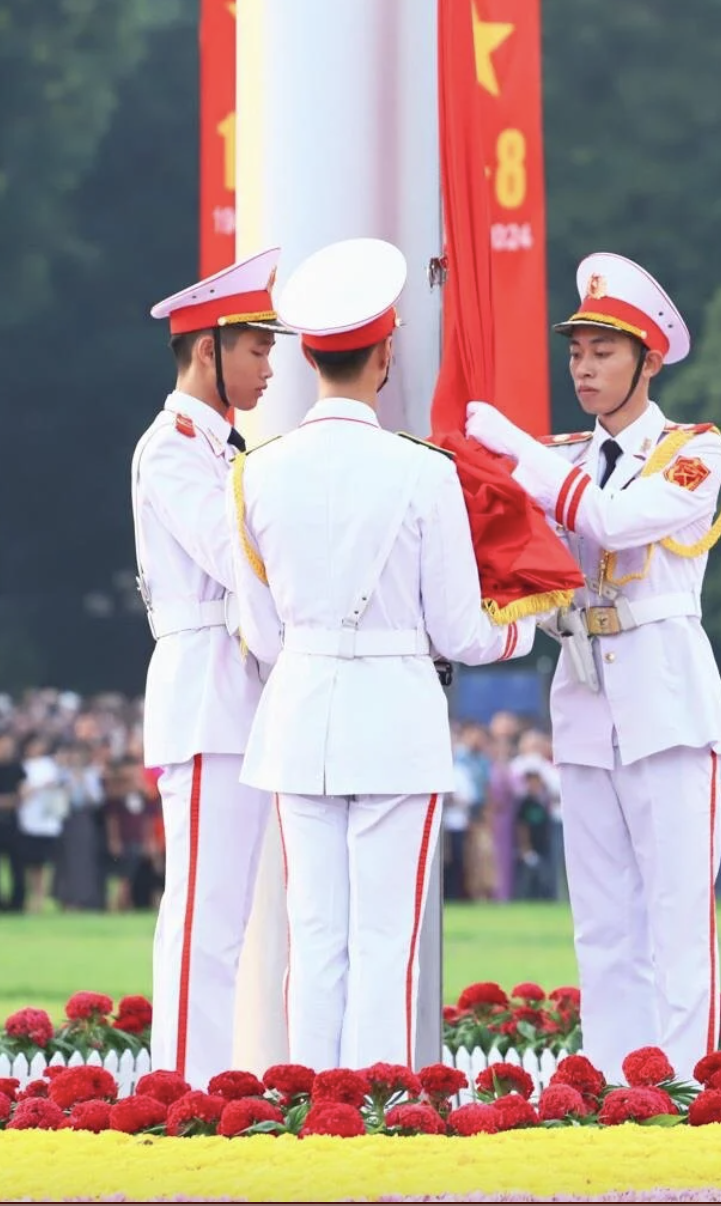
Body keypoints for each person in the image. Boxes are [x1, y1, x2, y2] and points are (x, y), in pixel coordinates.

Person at [229, 236, 536, 1070]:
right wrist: (529, 622)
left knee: (313, 933)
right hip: (395, 715)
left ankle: (311, 1100)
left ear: (312, 360)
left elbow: (257, 629)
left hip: (302, 710)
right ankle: (375, 1106)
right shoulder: (422, 471)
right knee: (384, 939)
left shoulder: (255, 472)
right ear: (386, 353)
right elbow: (462, 632)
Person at [463, 251, 721, 1080]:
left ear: (649, 360)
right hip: (583, 692)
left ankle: (686, 1082)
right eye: (576, 351)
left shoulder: (694, 449)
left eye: (603, 351)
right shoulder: (564, 453)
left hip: (665, 696)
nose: (583, 367)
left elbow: (615, 523)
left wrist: (513, 449)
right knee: (603, 916)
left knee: (678, 914)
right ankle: (616, 1079)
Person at [139, 247, 291, 1085]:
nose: (270, 365)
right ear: (209, 350)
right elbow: (234, 554)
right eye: (257, 347)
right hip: (207, 688)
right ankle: (184, 1088)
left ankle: (197, 1078)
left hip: (240, 687)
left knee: (229, 913)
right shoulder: (173, 447)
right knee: (204, 915)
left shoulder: (225, 448)